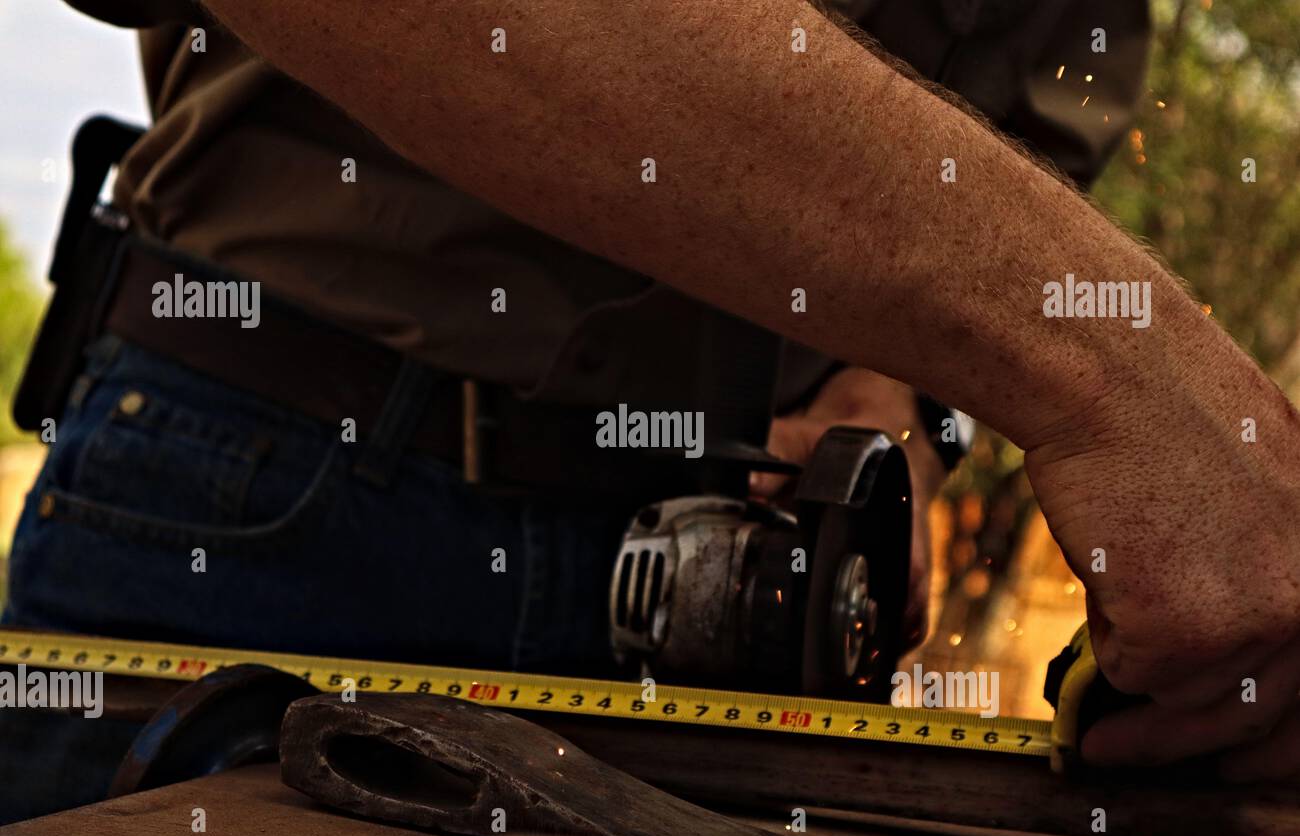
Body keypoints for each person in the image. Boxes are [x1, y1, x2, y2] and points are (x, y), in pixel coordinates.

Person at [6, 0, 1295, 783]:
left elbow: (1045, 93)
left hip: (744, 590)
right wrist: (1112, 373)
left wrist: (906, 393)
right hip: (269, 495)